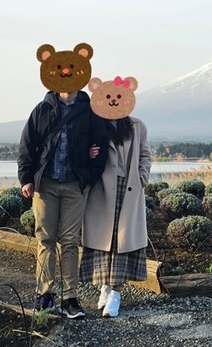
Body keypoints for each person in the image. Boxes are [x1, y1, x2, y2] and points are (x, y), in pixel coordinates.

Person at [18, 43, 108, 319]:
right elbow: (26, 146)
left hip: (74, 185)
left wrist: (88, 177)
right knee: (45, 239)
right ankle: (44, 295)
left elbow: (101, 147)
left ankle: (70, 298)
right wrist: (26, 178)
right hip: (45, 184)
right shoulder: (42, 110)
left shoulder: (90, 111)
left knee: (69, 242)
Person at [80, 75, 151, 318]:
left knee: (123, 241)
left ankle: (116, 294)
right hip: (101, 190)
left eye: (118, 96)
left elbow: (145, 155)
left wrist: (142, 177)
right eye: (108, 96)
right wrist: (89, 154)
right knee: (104, 241)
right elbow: (81, 151)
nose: (113, 101)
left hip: (128, 190)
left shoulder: (137, 126)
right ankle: (105, 286)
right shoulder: (94, 124)